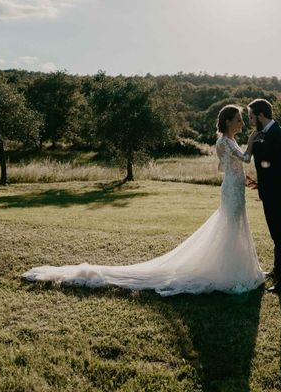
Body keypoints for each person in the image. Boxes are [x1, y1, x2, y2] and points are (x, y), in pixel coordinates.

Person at [23, 105, 265, 296]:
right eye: (239, 119)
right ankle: (230, 274)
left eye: (243, 120)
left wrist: (243, 179)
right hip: (231, 192)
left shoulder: (229, 141)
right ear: (227, 122)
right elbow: (244, 159)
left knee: (234, 227)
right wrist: (254, 139)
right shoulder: (224, 141)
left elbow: (229, 168)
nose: (242, 123)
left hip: (234, 189)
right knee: (230, 227)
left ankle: (234, 271)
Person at [247, 99, 281, 293]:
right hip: (271, 190)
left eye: (251, 116)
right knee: (277, 235)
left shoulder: (276, 133)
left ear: (261, 115)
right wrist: (260, 183)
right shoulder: (267, 133)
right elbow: (269, 166)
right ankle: (278, 271)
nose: (250, 121)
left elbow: (270, 162)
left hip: (278, 192)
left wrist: (253, 142)